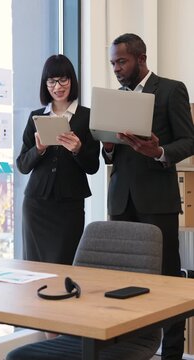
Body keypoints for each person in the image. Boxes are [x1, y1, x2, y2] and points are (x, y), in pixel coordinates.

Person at [102, 33, 194, 360]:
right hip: (120, 202)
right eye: (113, 62)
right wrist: (108, 148)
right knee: (121, 281)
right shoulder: (115, 99)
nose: (115, 68)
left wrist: (160, 152)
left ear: (140, 58)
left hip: (157, 201)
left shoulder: (171, 90)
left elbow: (188, 140)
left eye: (121, 61)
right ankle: (128, 350)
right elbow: (112, 156)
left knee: (167, 282)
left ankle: (170, 355)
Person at [16, 54, 100, 265]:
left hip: (69, 205)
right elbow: (22, 165)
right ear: (45, 84)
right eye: (51, 81)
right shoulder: (37, 117)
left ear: (72, 80)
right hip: (36, 204)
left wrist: (78, 149)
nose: (58, 86)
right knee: (34, 267)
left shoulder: (88, 117)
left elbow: (93, 166)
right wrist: (39, 149)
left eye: (63, 79)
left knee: (66, 263)